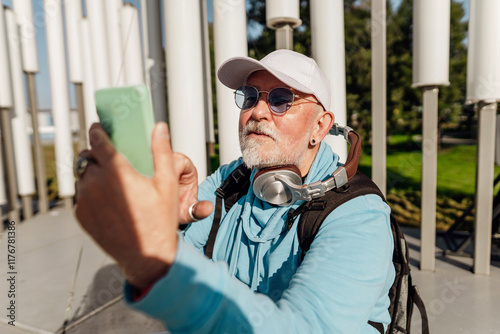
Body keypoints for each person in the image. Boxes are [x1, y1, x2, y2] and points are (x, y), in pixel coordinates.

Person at [75, 50, 395, 333]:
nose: (257, 111)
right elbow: (182, 247)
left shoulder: (358, 215)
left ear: (320, 127)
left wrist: (158, 261)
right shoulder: (235, 177)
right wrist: (172, 216)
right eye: (250, 96)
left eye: (281, 99)